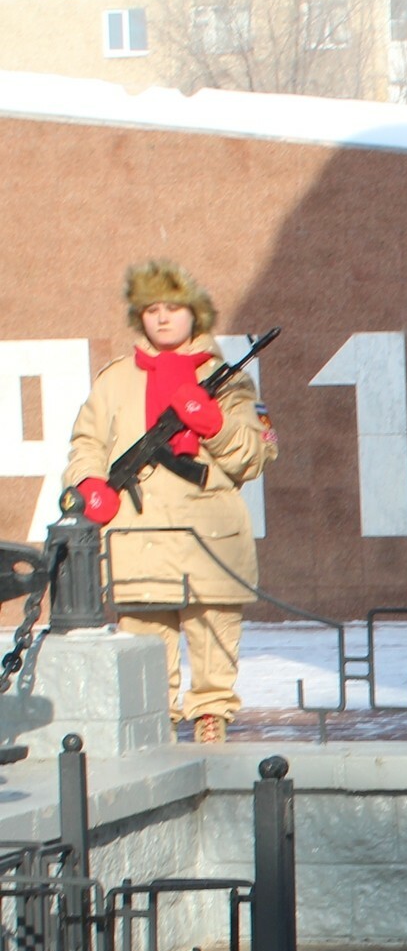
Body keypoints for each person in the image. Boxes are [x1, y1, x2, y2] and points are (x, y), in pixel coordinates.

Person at [64, 260, 273, 743]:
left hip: (209, 536)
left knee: (212, 636)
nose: (162, 319)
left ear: (194, 316)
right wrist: (89, 482)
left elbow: (254, 456)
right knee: (146, 650)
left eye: (174, 308)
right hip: (139, 536)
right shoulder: (116, 379)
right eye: (152, 309)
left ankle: (210, 717)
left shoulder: (229, 380)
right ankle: (155, 721)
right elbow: (87, 442)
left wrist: (214, 425)